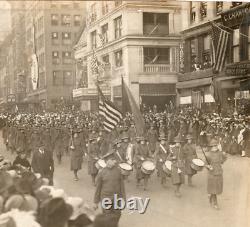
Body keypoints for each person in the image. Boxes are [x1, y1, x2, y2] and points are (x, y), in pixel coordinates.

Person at [94, 153, 126, 226]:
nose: (115, 161)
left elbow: (122, 186)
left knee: (117, 214)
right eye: (112, 160)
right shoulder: (102, 172)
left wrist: (123, 198)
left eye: (114, 159)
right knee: (107, 216)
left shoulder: (118, 171)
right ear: (106, 161)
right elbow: (98, 188)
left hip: (117, 198)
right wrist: (95, 202)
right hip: (105, 198)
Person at [206, 138, 227, 210]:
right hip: (212, 174)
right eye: (213, 146)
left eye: (216, 145)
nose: (215, 147)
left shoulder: (220, 153)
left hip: (219, 172)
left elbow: (224, 159)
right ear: (211, 147)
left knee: (217, 188)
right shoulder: (208, 155)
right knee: (214, 189)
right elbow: (206, 164)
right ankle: (215, 203)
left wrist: (223, 158)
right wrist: (208, 166)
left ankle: (211, 196)